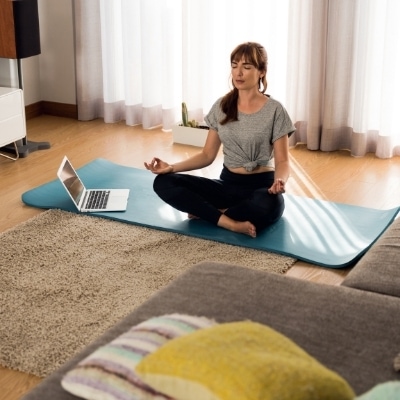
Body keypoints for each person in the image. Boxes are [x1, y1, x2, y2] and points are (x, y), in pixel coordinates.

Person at [144, 42, 295, 238]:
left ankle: (211, 213)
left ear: (261, 72)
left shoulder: (275, 110)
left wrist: (280, 181)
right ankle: (230, 222)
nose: (238, 72)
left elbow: (283, 161)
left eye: (247, 67)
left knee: (270, 205)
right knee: (163, 183)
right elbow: (207, 155)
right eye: (234, 66)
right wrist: (171, 167)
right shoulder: (222, 106)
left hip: (261, 187)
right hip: (228, 185)